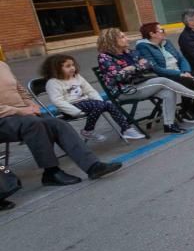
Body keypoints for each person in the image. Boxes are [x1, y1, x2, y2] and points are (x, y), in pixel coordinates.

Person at [0, 59, 122, 189]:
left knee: (58, 123)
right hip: (4, 117)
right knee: (35, 124)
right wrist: (21, 110)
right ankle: (51, 171)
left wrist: (31, 105)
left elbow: (19, 90)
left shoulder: (3, 65)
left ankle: (93, 166)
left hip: (23, 114)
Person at [97, 28, 194, 134]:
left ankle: (169, 125)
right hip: (124, 91)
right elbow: (119, 77)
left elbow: (149, 64)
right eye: (122, 37)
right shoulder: (104, 57)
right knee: (162, 81)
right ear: (112, 41)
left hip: (140, 84)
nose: (127, 39)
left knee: (168, 92)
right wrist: (137, 67)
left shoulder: (129, 52)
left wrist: (131, 68)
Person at [41, 54, 145, 141]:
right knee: (101, 105)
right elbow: (57, 101)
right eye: (68, 66)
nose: (72, 68)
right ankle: (89, 131)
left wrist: (99, 101)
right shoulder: (53, 83)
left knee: (107, 105)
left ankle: (126, 129)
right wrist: (75, 111)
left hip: (87, 103)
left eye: (73, 65)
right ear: (56, 69)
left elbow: (89, 90)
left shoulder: (77, 77)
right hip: (70, 106)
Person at [136, 22, 194, 123]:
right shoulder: (143, 47)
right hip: (164, 75)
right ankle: (185, 111)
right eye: (161, 30)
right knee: (188, 81)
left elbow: (181, 58)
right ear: (152, 34)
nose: (164, 32)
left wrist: (185, 71)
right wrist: (180, 74)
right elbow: (155, 68)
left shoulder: (166, 42)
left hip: (180, 72)